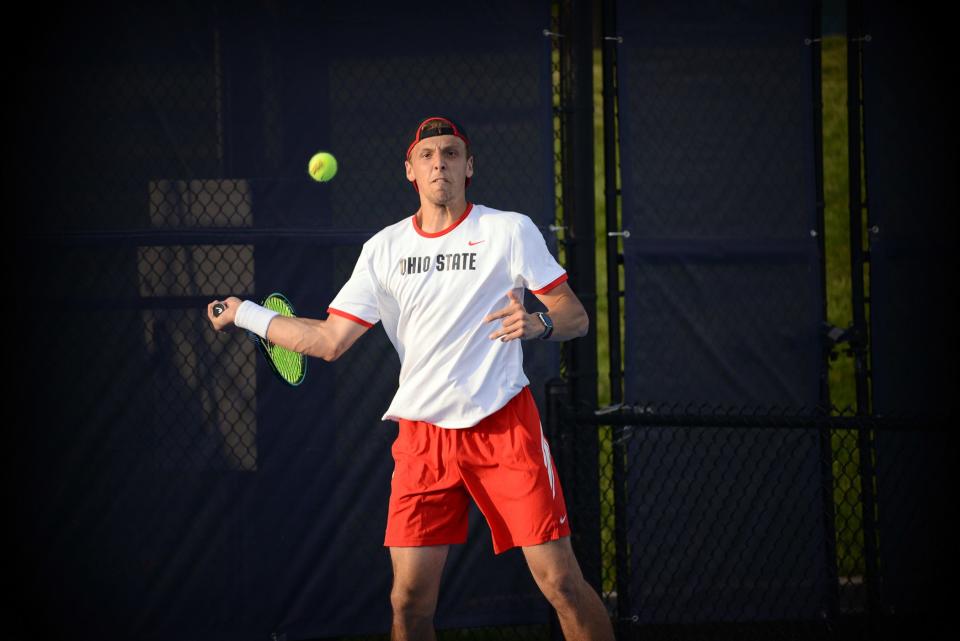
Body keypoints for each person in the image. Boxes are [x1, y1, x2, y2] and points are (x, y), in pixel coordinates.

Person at [208, 116, 614, 641]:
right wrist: (246, 314)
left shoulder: (509, 231)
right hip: (422, 440)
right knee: (408, 602)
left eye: (450, 153)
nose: (438, 162)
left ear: (469, 167)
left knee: (560, 583)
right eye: (427, 155)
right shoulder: (384, 248)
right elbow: (330, 340)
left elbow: (575, 316)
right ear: (410, 171)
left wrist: (537, 322)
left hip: (504, 427)